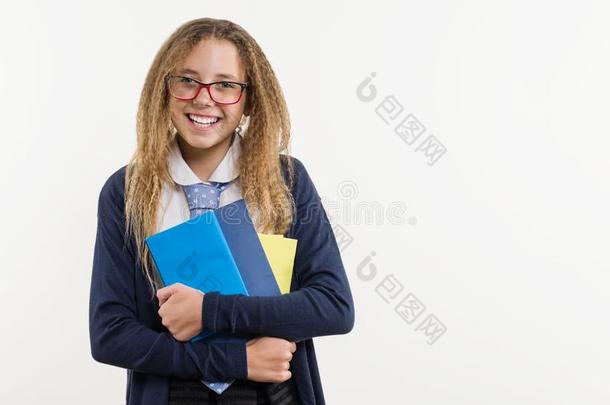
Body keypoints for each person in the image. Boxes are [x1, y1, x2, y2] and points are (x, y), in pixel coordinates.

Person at [89, 17, 355, 405]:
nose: (204, 98)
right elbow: (110, 334)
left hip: (273, 394)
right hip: (175, 394)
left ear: (249, 99)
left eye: (226, 85)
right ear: (164, 90)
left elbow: (333, 307)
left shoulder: (287, 181)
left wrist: (210, 311)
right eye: (187, 80)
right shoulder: (126, 191)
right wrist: (236, 359)